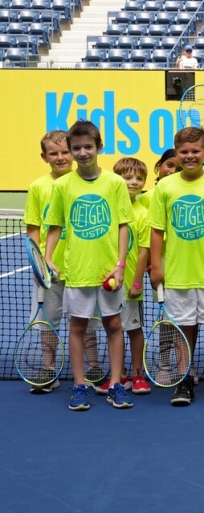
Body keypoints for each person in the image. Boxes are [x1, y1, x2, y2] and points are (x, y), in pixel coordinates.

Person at [44, 120, 133, 411]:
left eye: (88, 147)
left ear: (99, 147)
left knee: (114, 325)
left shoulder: (115, 183)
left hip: (108, 270)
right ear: (69, 151)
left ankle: (117, 384)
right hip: (78, 269)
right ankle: (80, 385)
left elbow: (123, 226)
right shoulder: (62, 185)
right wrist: (47, 257)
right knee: (78, 327)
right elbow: (55, 226)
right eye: (76, 148)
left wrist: (120, 265)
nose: (82, 153)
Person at [147, 126, 204, 407]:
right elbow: (157, 230)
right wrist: (155, 266)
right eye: (184, 152)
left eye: (195, 151)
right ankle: (184, 379)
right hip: (177, 273)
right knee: (184, 329)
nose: (190, 156)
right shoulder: (165, 187)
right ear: (176, 154)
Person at [23, 130, 72, 394]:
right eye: (54, 153)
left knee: (85, 322)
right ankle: (48, 369)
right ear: (44, 157)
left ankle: (91, 369)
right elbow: (34, 228)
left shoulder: (83, 182)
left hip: (80, 266)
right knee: (48, 321)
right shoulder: (38, 187)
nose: (60, 157)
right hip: (49, 271)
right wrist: (37, 263)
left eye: (65, 151)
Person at [111, 156, 152, 396]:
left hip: (130, 286)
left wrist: (137, 282)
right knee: (112, 329)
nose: (134, 182)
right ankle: (120, 375)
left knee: (133, 330)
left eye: (139, 178)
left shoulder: (143, 213)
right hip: (107, 285)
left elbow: (144, 251)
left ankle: (138, 373)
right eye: (128, 177)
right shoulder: (109, 208)